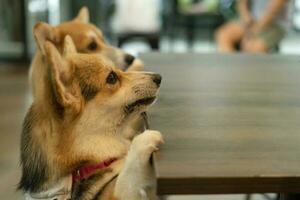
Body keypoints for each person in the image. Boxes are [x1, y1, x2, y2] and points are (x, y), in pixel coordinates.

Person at [215, 0, 288, 53]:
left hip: (275, 24)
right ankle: (232, 69)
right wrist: (246, 16)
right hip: (252, 19)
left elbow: (273, 10)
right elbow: (242, 3)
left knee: (254, 47)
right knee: (223, 35)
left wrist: (251, 33)